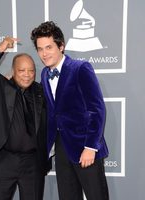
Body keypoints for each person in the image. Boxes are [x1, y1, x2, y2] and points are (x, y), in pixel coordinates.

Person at [31, 21, 109, 200]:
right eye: (40, 49)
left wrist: (90, 147)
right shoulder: (44, 74)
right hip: (61, 147)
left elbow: (96, 109)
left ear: (61, 46)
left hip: (85, 146)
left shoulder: (81, 68)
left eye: (49, 47)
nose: (44, 53)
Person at [0, 37, 51, 200]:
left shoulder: (41, 91)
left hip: (32, 162)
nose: (27, 75)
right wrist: (1, 48)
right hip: (4, 160)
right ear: (13, 71)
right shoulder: (0, 87)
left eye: (31, 71)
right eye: (22, 71)